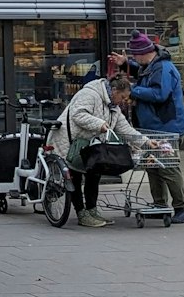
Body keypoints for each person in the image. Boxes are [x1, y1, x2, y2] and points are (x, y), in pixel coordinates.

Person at [46, 72, 155, 228]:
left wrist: (147, 142)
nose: (124, 102)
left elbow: (125, 129)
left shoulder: (114, 108)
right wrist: (99, 124)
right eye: (123, 98)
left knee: (94, 173)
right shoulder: (89, 94)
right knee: (74, 176)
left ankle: (92, 210)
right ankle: (81, 213)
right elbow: (78, 114)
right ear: (115, 91)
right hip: (70, 142)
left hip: (89, 145)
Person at [126, 33, 184, 224]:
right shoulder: (152, 66)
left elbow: (159, 94)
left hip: (167, 127)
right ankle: (159, 204)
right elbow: (142, 72)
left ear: (144, 53)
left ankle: (181, 208)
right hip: (154, 127)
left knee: (168, 168)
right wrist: (124, 64)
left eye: (135, 55)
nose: (134, 59)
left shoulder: (163, 68)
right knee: (153, 167)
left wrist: (132, 90)